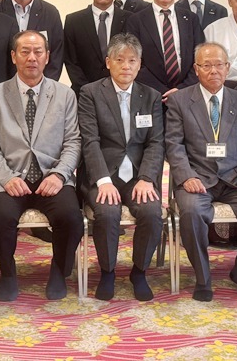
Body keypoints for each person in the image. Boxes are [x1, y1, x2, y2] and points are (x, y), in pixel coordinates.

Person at [166, 42, 237, 302]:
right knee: (192, 212)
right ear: (196, 69)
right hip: (197, 178)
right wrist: (187, 176)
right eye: (206, 65)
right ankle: (203, 277)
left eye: (219, 65)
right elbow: (173, 145)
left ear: (227, 68)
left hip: (234, 179)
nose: (213, 70)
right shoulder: (180, 100)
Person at [0, 30, 84, 301]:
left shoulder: (65, 95)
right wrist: (6, 177)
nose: (32, 58)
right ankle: (7, 272)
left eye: (38, 52)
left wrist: (60, 175)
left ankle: (59, 270)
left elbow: (73, 141)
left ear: (47, 56)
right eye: (25, 52)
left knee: (71, 217)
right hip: (9, 176)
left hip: (51, 175)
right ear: (13, 56)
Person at [77, 33, 164, 301]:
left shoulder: (151, 96)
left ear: (140, 64)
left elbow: (156, 142)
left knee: (152, 212)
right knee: (107, 212)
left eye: (132, 60)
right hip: (104, 174)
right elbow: (89, 140)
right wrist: (103, 181)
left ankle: (139, 271)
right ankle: (108, 272)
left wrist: (147, 177)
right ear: (108, 62)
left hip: (138, 175)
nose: (126, 66)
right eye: (119, 60)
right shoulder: (90, 93)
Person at [125, 0, 205, 101]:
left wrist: (182, 89)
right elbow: (134, 60)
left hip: (187, 94)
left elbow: (200, 57)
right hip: (150, 95)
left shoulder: (191, 19)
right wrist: (163, 92)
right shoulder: (136, 20)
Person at [64, 0, 130, 95]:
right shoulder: (73, 21)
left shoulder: (130, 19)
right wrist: (88, 91)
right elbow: (71, 62)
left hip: (122, 92)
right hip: (84, 94)